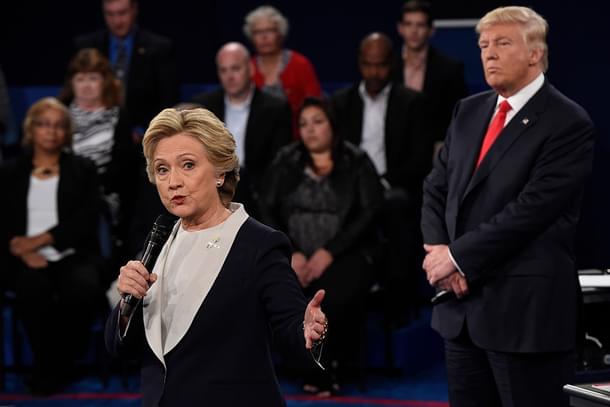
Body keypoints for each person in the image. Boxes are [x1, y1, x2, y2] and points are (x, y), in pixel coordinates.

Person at [421, 6, 594, 407]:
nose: (489, 54)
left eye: (502, 43)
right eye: (483, 45)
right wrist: (438, 252)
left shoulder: (567, 121)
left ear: (535, 53)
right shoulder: (469, 111)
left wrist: (458, 258)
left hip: (524, 317)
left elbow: (532, 211)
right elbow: (435, 188)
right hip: (461, 311)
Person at [105, 107, 328, 406]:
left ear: (220, 172)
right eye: (162, 169)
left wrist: (309, 330)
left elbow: (291, 326)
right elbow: (120, 349)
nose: (173, 182)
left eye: (187, 165)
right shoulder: (157, 239)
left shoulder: (259, 244)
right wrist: (126, 307)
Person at [260, 97, 383, 395]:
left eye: (318, 122)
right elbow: (266, 209)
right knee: (281, 289)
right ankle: (302, 366)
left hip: (346, 252)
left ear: (333, 125)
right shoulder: (285, 160)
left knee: (331, 292)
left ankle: (327, 369)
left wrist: (329, 252)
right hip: (294, 253)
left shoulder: (356, 161)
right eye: (303, 124)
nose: (310, 130)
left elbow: (369, 214)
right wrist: (292, 252)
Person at [0, 97, 103, 395]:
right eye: (44, 125)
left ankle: (55, 366)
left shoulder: (83, 169)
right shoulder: (9, 172)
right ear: (31, 129)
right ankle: (51, 367)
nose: (51, 132)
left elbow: (86, 218)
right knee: (32, 289)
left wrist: (43, 240)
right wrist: (22, 249)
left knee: (83, 287)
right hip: (20, 256)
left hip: (71, 252)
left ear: (66, 132)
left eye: (59, 126)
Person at [331, 32, 431, 323]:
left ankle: (396, 300)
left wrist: (378, 185)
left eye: (381, 65)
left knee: (397, 205)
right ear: (359, 64)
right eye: (367, 64)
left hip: (392, 188)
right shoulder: (340, 102)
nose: (374, 72)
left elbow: (419, 161)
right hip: (347, 188)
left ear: (392, 64)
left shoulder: (412, 103)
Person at [59, 48, 140, 266]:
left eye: (93, 78)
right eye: (80, 78)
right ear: (72, 82)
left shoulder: (117, 116)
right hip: (62, 194)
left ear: (104, 81)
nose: (86, 85)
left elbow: (124, 169)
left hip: (104, 196)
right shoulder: (60, 115)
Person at [191, 42, 292, 216]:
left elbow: (279, 163)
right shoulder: (204, 106)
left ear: (251, 69)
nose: (230, 76)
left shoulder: (276, 108)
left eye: (235, 69)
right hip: (213, 188)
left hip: (259, 194)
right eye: (224, 70)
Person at [74, 0, 178, 138]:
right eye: (110, 14)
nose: (116, 21)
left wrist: (146, 131)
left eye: (122, 13)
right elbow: (72, 92)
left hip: (142, 136)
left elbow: (168, 98)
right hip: (92, 133)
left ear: (134, 10)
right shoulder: (86, 46)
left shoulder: (159, 48)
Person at [395, 0, 467, 155]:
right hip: (394, 152)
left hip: (434, 153)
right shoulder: (387, 67)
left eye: (420, 25)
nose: (414, 31)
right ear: (400, 28)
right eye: (408, 24)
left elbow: (457, 116)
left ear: (431, 30)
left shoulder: (450, 69)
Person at [243, 5, 322, 135]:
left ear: (280, 33)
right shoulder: (246, 67)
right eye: (257, 32)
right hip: (257, 137)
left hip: (297, 136)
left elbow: (315, 105)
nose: (264, 37)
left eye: (270, 30)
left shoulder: (300, 64)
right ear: (251, 37)